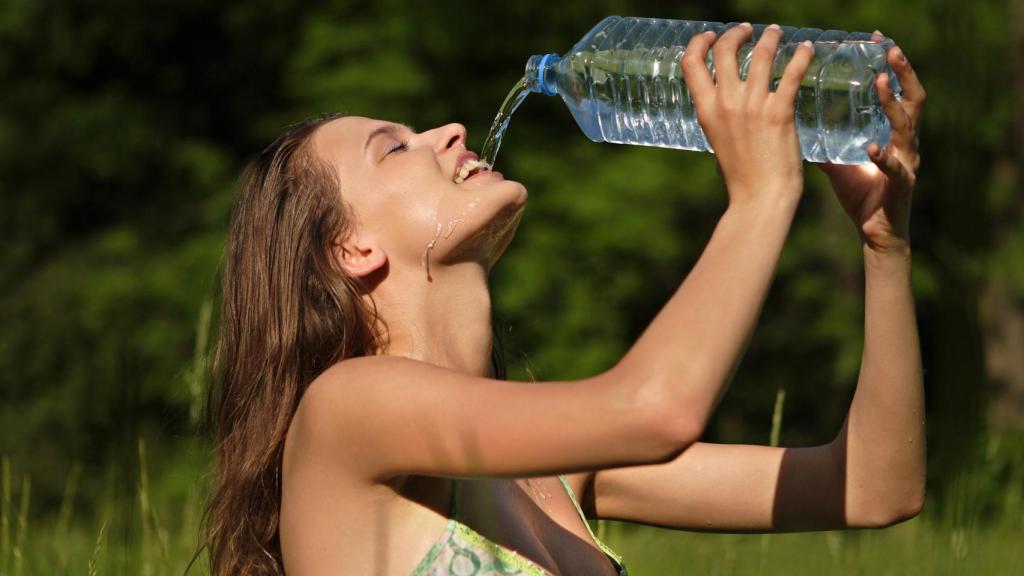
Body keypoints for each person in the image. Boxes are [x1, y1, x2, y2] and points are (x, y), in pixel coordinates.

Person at [200, 23, 927, 576]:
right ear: (351, 251)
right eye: (393, 149)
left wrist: (883, 247)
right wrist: (762, 195)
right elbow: (656, 410)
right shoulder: (348, 409)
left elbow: (872, 487)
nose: (447, 131)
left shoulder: (552, 470)